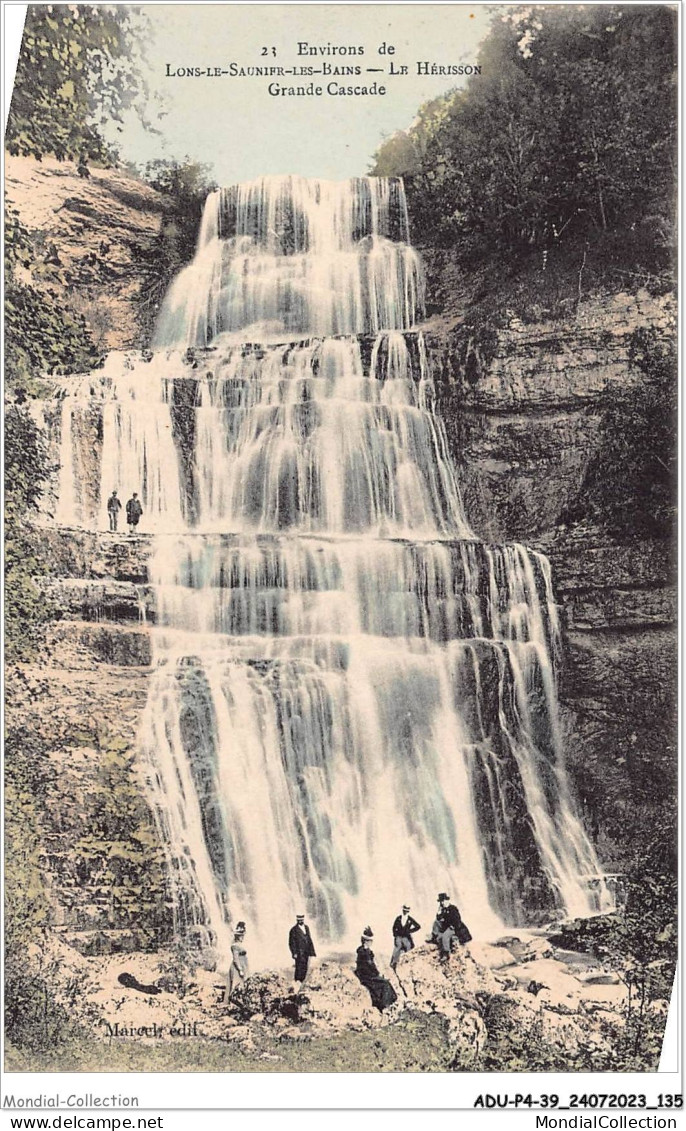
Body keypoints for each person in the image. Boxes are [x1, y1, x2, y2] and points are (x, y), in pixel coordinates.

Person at [354, 927, 397, 1012]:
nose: (371, 943)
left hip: (365, 975)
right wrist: (377, 973)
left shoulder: (362, 950)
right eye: (370, 941)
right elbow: (370, 966)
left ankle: (382, 1003)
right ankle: (385, 1005)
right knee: (385, 983)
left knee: (381, 984)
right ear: (366, 941)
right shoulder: (365, 952)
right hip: (367, 976)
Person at [430, 893, 471, 963]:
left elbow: (458, 920)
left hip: (455, 927)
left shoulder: (453, 908)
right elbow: (439, 918)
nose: (442, 903)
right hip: (446, 925)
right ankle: (434, 937)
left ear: (447, 900)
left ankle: (446, 954)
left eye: (443, 901)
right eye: (441, 901)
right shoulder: (443, 909)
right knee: (436, 922)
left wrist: (452, 927)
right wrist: (439, 912)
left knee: (445, 936)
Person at [288, 913, 316, 988]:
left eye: (302, 919)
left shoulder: (306, 927)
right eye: (299, 920)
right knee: (299, 967)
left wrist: (312, 951)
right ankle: (297, 981)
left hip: (306, 951)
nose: (300, 921)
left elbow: (309, 939)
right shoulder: (293, 930)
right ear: (297, 920)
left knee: (305, 966)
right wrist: (294, 953)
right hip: (299, 952)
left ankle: (302, 981)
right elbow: (291, 942)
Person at [390, 904, 421, 970]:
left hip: (406, 937)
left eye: (407, 911)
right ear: (402, 910)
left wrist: (410, 931)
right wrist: (395, 935)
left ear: (408, 911)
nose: (405, 912)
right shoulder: (398, 918)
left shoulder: (410, 919)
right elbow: (393, 927)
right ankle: (393, 963)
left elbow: (418, 926)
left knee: (408, 947)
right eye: (404, 910)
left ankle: (408, 963)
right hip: (398, 936)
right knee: (397, 947)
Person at [226, 921, 249, 999]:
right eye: (241, 936)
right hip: (238, 966)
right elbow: (235, 959)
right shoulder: (235, 946)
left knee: (243, 981)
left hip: (244, 964)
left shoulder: (239, 945)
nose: (243, 937)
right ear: (238, 937)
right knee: (236, 982)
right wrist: (240, 970)